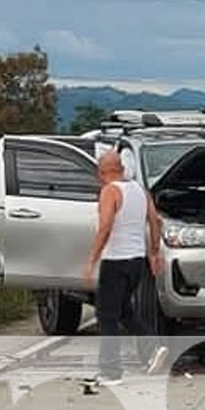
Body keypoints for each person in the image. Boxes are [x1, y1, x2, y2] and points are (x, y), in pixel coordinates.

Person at [83, 150, 169, 384]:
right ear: (121, 168)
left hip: (116, 260)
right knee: (124, 311)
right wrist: (154, 252)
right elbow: (155, 221)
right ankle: (152, 348)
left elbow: (105, 227)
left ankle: (110, 371)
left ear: (102, 172)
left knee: (106, 315)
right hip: (137, 261)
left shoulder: (110, 191)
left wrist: (91, 259)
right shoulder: (140, 191)